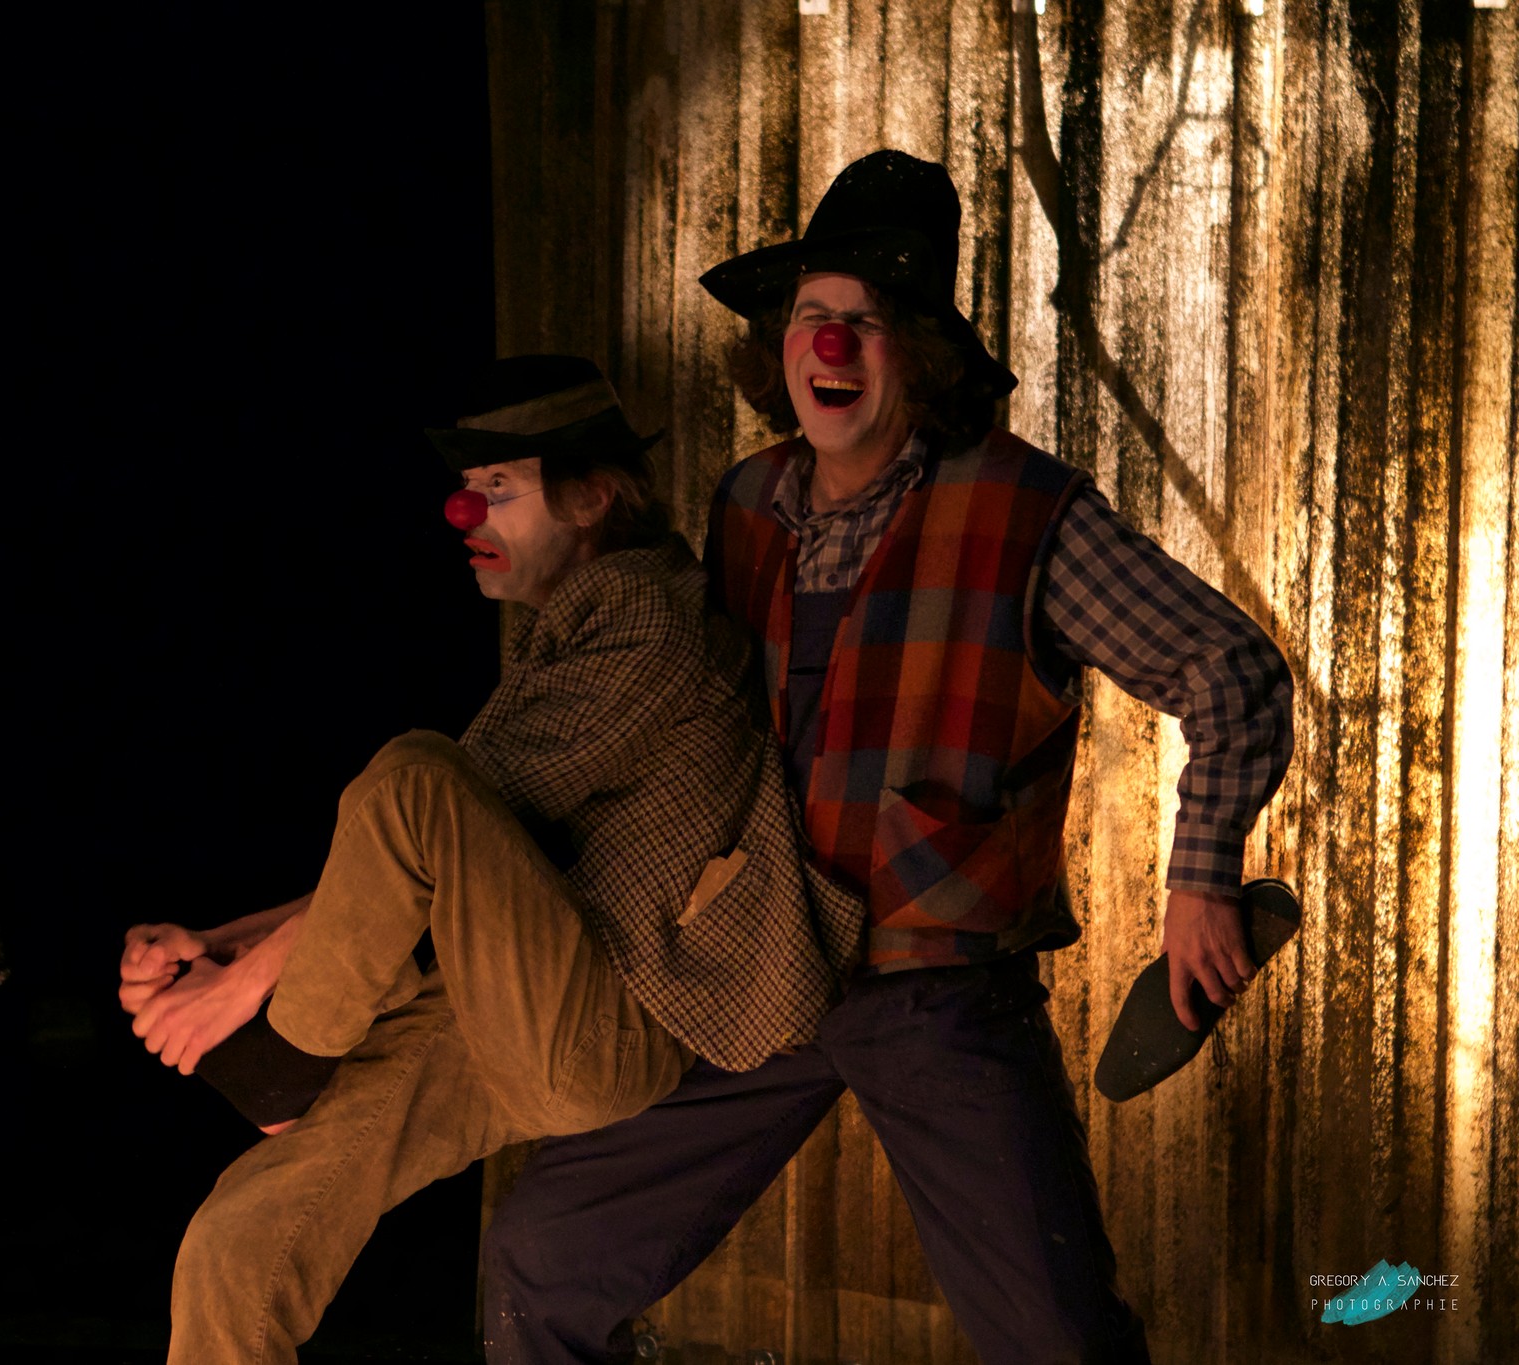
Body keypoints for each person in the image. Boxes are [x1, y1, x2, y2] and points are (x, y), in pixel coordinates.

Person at [480, 151, 1295, 1364]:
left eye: (865, 322)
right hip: (758, 968)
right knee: (540, 1259)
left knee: (1055, 1341)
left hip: (937, 987)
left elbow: (1228, 669)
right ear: (778, 346)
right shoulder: (746, 502)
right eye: (811, 316)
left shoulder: (1024, 511)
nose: (831, 345)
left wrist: (1199, 880)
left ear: (916, 351)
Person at [121, 355, 863, 1365]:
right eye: (468, 488)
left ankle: (281, 1066)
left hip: (603, 1019)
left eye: (498, 487)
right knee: (236, 1242)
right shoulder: (564, 633)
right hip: (506, 1006)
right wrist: (223, 941)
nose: (464, 513)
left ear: (592, 497)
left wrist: (242, 987)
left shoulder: (649, 616)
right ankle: (280, 1066)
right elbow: (404, 865)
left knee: (411, 774)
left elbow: (430, 812)